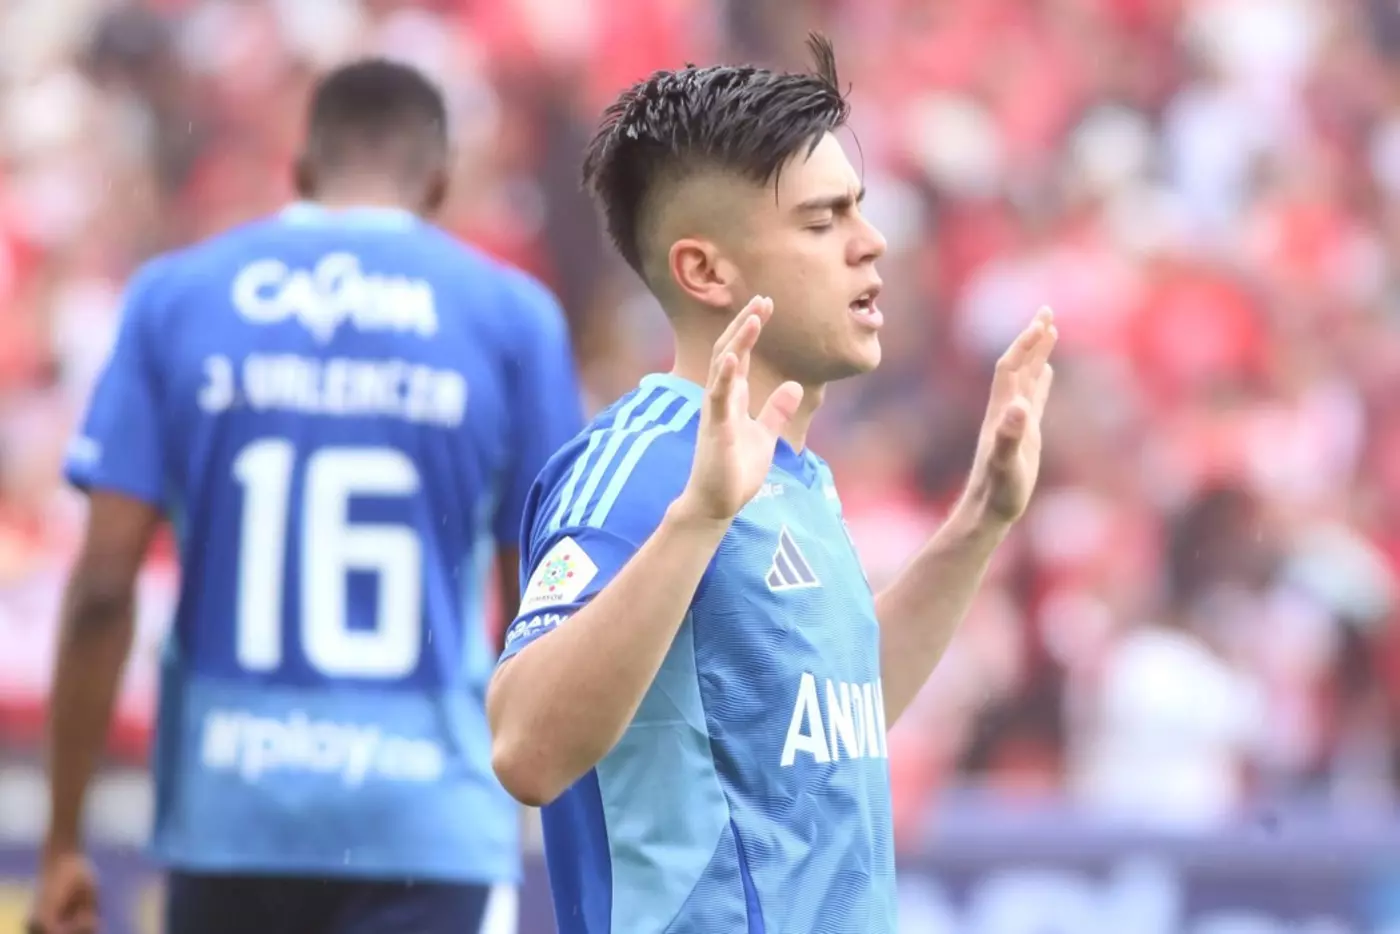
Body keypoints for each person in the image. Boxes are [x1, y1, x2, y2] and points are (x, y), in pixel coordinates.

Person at [486, 34, 1057, 933]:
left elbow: (836, 709)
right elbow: (525, 748)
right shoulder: (642, 465)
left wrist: (979, 520)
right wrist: (697, 518)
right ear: (705, 270)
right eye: (823, 222)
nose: (871, 244)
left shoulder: (795, 475)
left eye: (860, 210)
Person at [30, 59, 582, 934]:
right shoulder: (511, 317)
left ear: (301, 169)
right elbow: (542, 605)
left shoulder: (177, 298)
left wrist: (65, 840)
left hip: (227, 817)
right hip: (426, 824)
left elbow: (102, 588)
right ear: (439, 183)